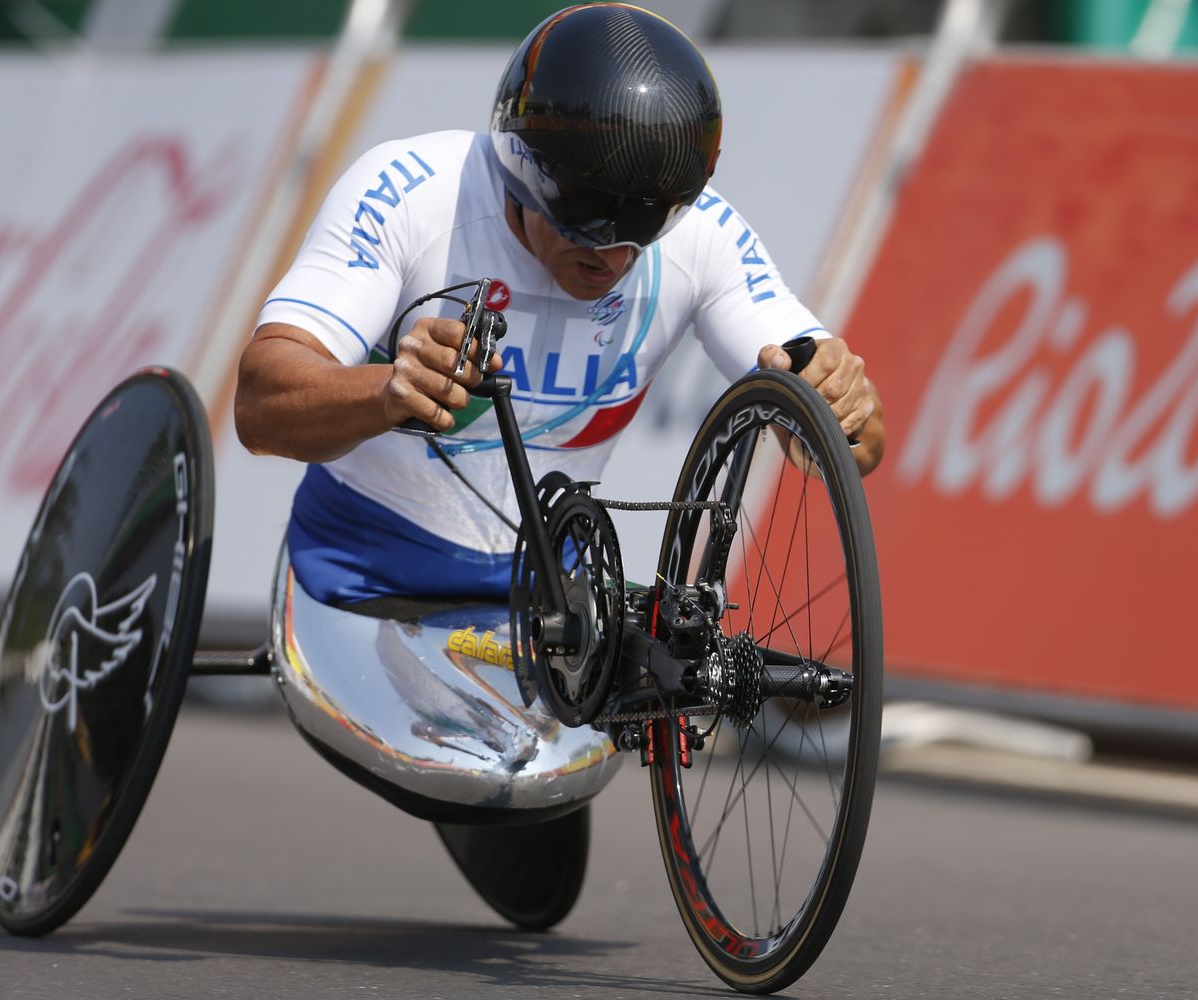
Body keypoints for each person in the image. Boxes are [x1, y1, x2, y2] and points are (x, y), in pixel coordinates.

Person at [234, 1, 884, 928]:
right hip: (362, 577)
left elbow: (841, 422)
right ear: (518, 166)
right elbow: (261, 400)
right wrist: (383, 389)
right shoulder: (411, 191)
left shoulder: (698, 234)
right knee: (504, 838)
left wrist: (845, 408)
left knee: (542, 893)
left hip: (540, 607)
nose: (613, 249)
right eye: (583, 216)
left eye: (644, 222)